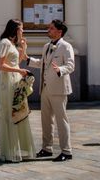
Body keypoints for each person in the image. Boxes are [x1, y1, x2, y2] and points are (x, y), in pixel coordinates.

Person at [24, 19, 75, 162]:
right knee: (46, 120)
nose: (48, 30)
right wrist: (28, 59)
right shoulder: (46, 46)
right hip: (45, 88)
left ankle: (67, 151)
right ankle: (47, 148)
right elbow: (42, 63)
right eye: (49, 28)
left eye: (51, 28)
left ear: (59, 32)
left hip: (59, 89)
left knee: (61, 120)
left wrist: (60, 70)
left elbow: (70, 66)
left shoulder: (66, 46)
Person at [0, 19, 36, 162]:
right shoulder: (5, 43)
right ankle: (9, 150)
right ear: (15, 30)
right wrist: (19, 70)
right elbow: (0, 65)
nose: (23, 32)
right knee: (10, 112)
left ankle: (14, 148)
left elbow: (15, 63)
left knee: (18, 111)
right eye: (21, 29)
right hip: (8, 82)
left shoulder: (12, 43)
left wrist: (23, 49)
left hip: (15, 80)